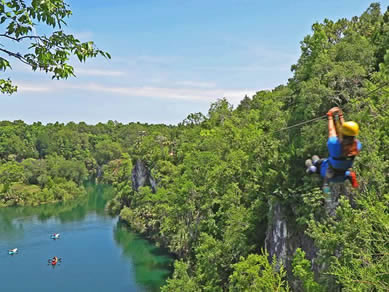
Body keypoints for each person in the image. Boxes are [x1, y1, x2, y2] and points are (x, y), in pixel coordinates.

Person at [305, 107, 362, 194]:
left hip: (330, 173)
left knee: (318, 163)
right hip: (343, 175)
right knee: (323, 162)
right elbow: (348, 132)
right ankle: (313, 166)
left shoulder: (334, 144)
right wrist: (341, 116)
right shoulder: (357, 145)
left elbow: (332, 130)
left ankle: (312, 168)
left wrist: (330, 116)